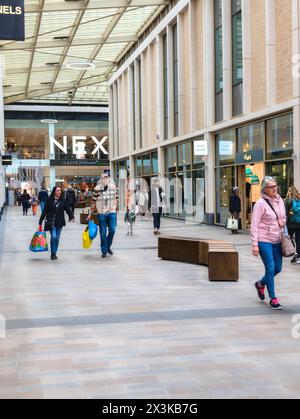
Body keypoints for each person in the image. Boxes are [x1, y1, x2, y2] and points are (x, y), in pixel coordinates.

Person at [251, 176, 286, 310]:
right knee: (270, 268)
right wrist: (255, 244)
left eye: (276, 186)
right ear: (265, 189)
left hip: (277, 239)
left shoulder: (280, 200)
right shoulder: (260, 203)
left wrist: (283, 221)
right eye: (272, 187)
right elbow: (254, 225)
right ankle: (273, 298)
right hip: (264, 239)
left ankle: (260, 284)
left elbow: (283, 216)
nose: (275, 188)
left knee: (278, 268)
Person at [39, 186, 75, 260]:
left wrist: (71, 216)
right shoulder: (49, 200)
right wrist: (40, 221)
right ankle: (52, 253)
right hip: (51, 221)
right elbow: (45, 211)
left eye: (60, 190)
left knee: (57, 239)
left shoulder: (63, 200)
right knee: (54, 237)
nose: (59, 192)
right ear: (54, 191)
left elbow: (67, 209)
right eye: (58, 190)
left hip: (60, 222)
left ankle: (54, 253)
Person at [88, 173, 118, 258]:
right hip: (101, 213)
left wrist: (114, 207)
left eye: (106, 177)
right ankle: (104, 250)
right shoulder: (97, 189)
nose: (105, 179)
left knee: (112, 230)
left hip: (111, 212)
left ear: (108, 179)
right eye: (103, 178)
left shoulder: (112, 187)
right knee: (103, 233)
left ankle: (107, 247)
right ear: (100, 180)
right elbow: (93, 201)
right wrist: (91, 213)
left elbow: (116, 198)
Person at [285, 186, 300, 264]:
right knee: (299, 240)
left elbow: (285, 213)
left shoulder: (288, 201)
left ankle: (294, 253)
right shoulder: (299, 199)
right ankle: (298, 255)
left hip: (291, 224)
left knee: (289, 238)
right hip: (299, 223)